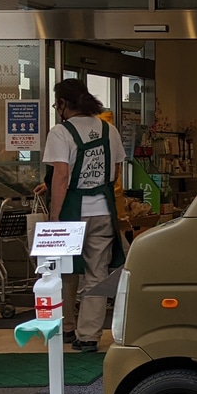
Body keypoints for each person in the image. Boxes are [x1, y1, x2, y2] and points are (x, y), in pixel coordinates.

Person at [45, 79, 126, 352]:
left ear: (64, 103)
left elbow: (61, 175)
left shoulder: (60, 132)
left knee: (66, 271)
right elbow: (115, 172)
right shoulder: (109, 129)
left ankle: (66, 328)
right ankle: (89, 335)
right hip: (102, 209)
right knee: (97, 272)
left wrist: (54, 215)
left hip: (71, 211)